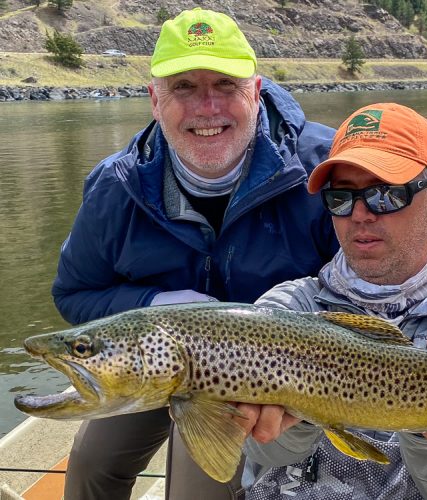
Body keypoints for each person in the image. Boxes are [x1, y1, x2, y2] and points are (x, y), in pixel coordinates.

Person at [52, 7, 338, 500]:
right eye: (183, 87)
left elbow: (370, 285)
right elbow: (76, 293)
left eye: (225, 85)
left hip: (277, 374)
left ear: (256, 90)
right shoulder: (114, 188)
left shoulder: (327, 168)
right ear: (155, 101)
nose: (207, 107)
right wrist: (155, 308)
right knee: (91, 463)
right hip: (148, 360)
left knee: (196, 485)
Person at [229, 102, 427, 499]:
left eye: (385, 195)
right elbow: (266, 454)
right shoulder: (284, 311)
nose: (360, 214)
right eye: (340, 198)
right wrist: (303, 404)